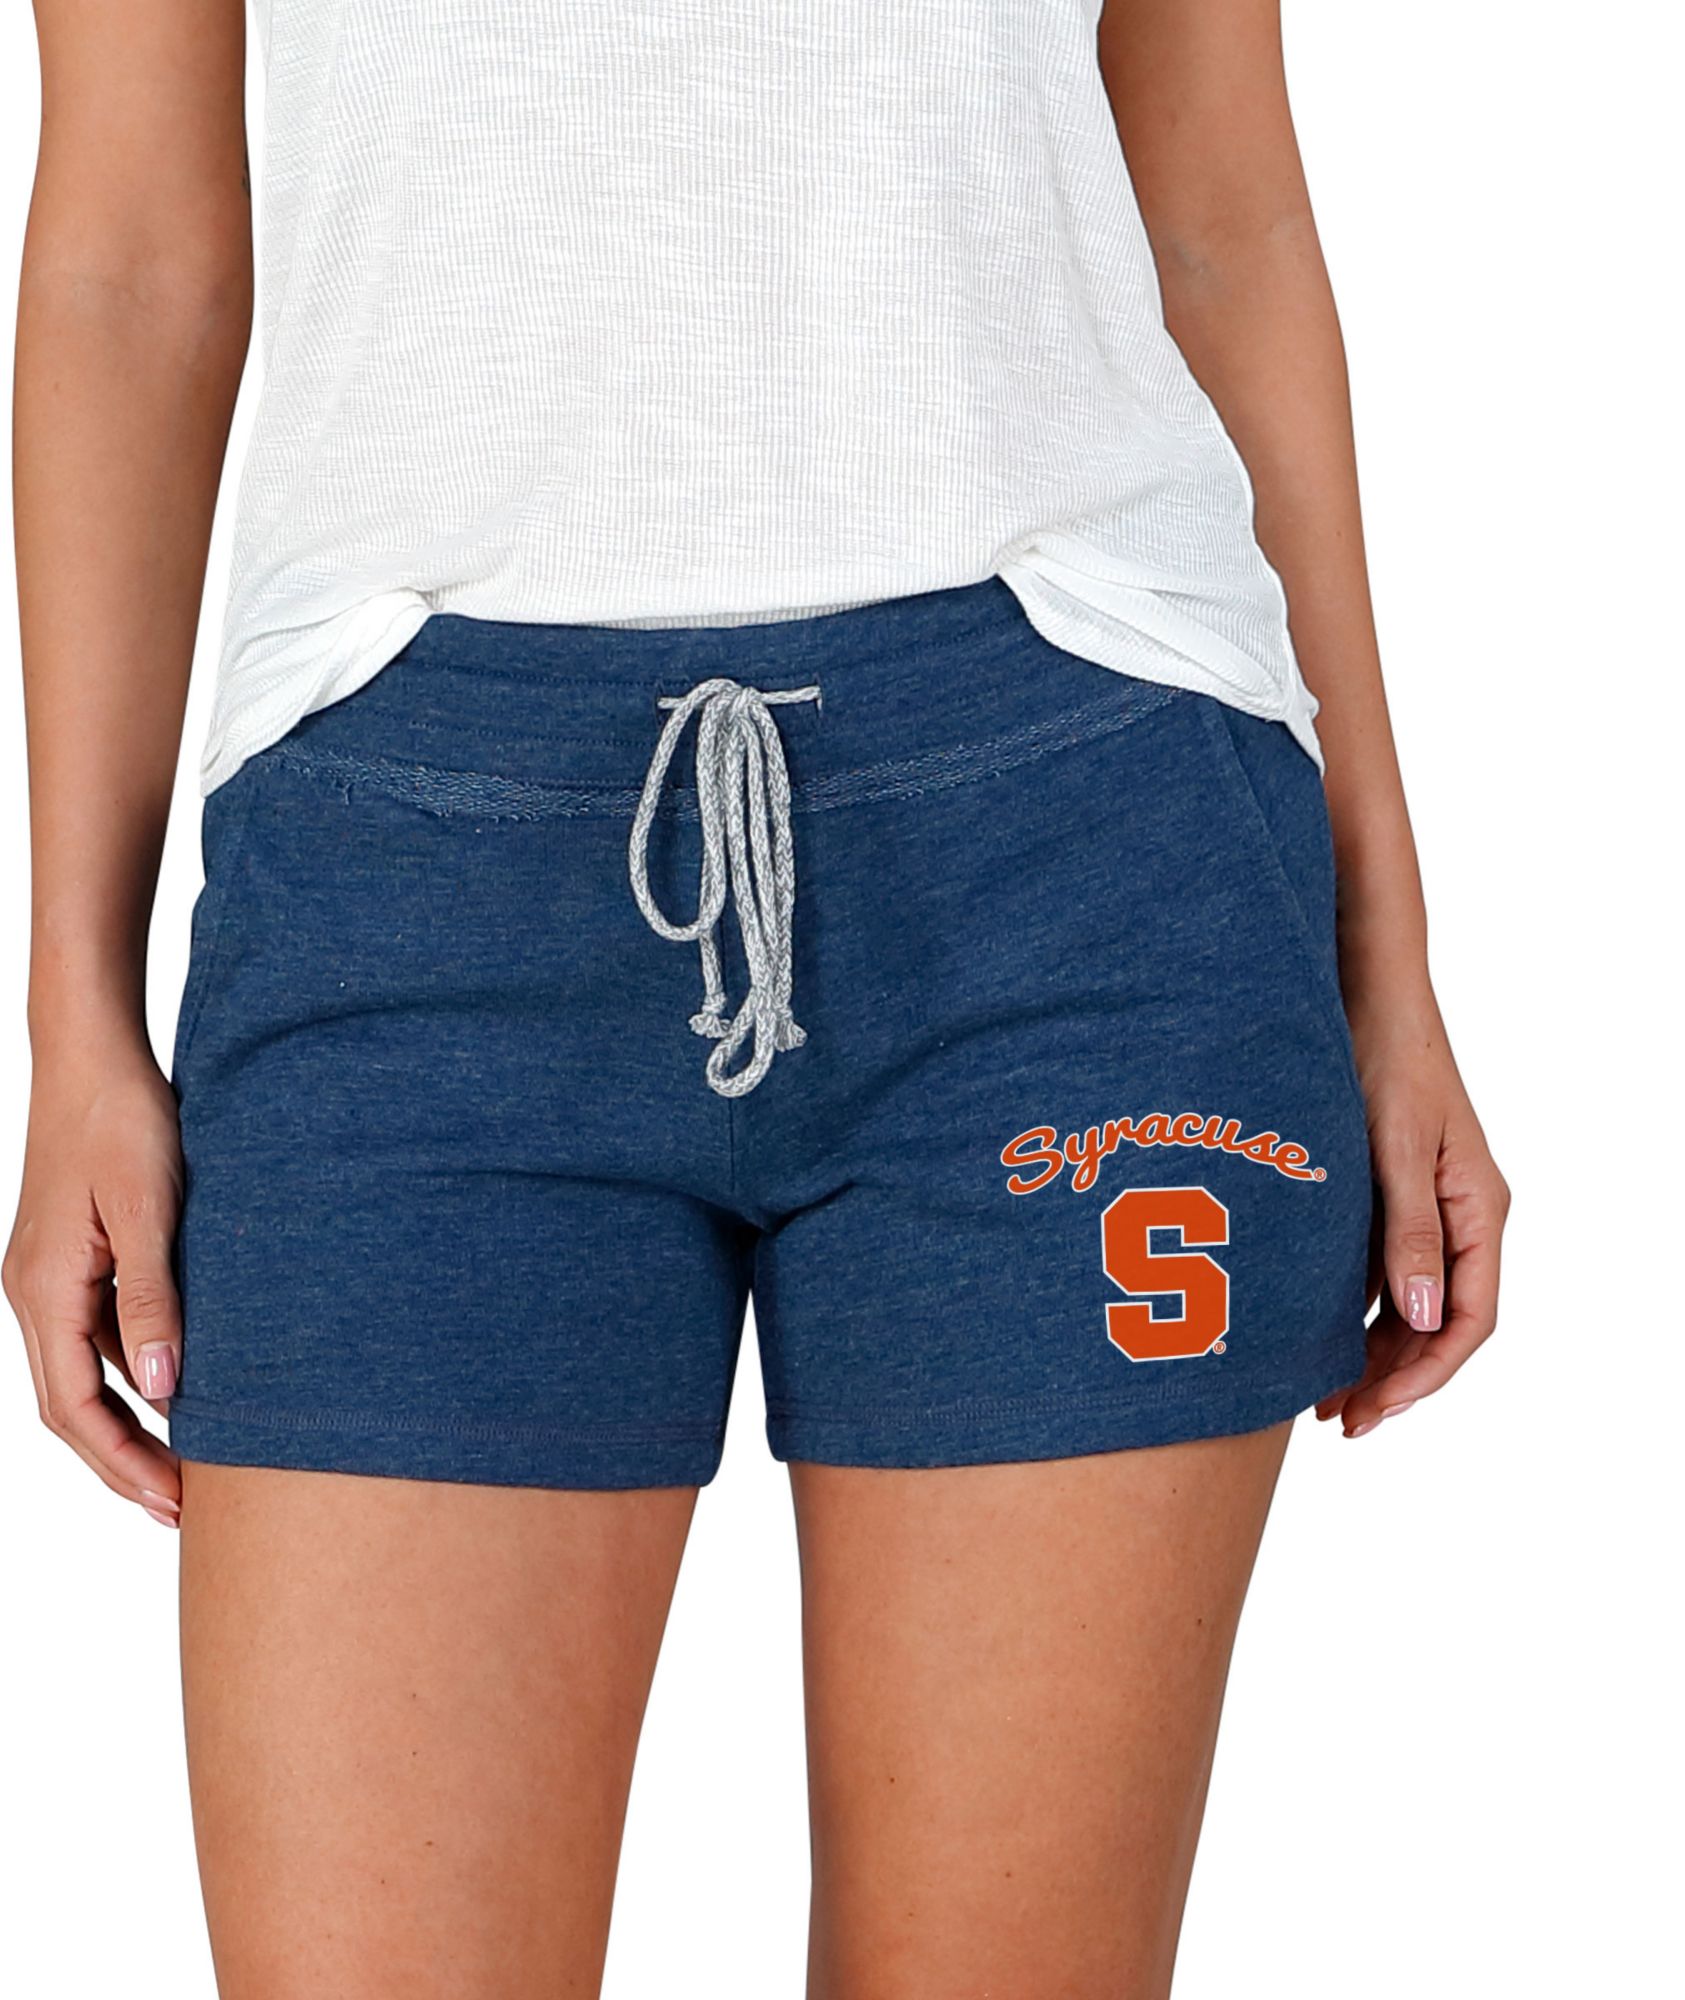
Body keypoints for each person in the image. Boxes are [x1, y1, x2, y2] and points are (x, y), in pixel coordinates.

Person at [5, 0, 1509, 1992]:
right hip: (408, 873)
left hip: (1073, 847)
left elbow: (1220, 213)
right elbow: (129, 258)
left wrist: (1388, 964)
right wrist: (75, 1020)